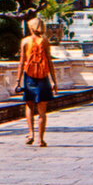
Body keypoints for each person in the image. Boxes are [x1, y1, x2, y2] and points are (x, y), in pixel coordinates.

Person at [15, 17, 59, 147]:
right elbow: (49, 62)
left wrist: (17, 81)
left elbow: (22, 62)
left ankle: (30, 134)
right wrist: (54, 81)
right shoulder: (44, 42)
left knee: (29, 105)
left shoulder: (25, 41)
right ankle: (41, 139)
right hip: (42, 77)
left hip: (29, 76)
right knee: (42, 109)